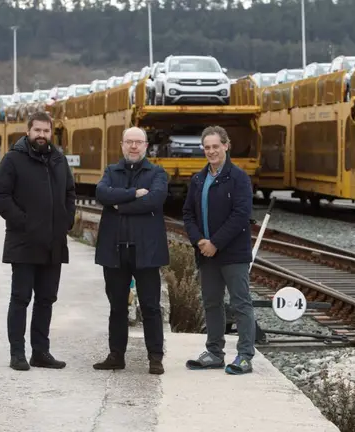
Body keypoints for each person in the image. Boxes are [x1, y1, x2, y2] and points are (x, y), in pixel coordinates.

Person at [0, 111, 76, 372]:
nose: (42, 135)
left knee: (46, 299)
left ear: (52, 133)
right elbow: (1, 195)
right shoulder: (13, 159)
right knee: (20, 298)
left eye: (46, 131)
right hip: (24, 242)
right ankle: (17, 353)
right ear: (28, 131)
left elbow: (70, 193)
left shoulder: (59, 160)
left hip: (53, 242)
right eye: (37, 130)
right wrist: (26, 223)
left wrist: (66, 221)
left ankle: (41, 352)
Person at [92, 126, 169, 375]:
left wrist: (119, 205)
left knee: (151, 307)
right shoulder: (111, 171)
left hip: (146, 251)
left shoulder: (157, 173)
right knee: (116, 306)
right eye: (129, 142)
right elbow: (101, 193)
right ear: (122, 145)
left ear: (146, 146)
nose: (133, 146)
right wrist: (133, 194)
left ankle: (155, 357)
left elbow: (155, 200)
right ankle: (116, 355)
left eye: (138, 142)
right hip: (114, 251)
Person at [182, 125, 255, 375]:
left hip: (232, 254)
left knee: (240, 303)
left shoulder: (239, 178)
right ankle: (214, 352)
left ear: (226, 145)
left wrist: (216, 243)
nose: (211, 151)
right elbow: (188, 213)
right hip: (206, 253)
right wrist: (200, 241)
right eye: (207, 147)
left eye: (215, 146)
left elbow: (240, 215)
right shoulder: (198, 179)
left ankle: (245, 355)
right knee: (212, 303)